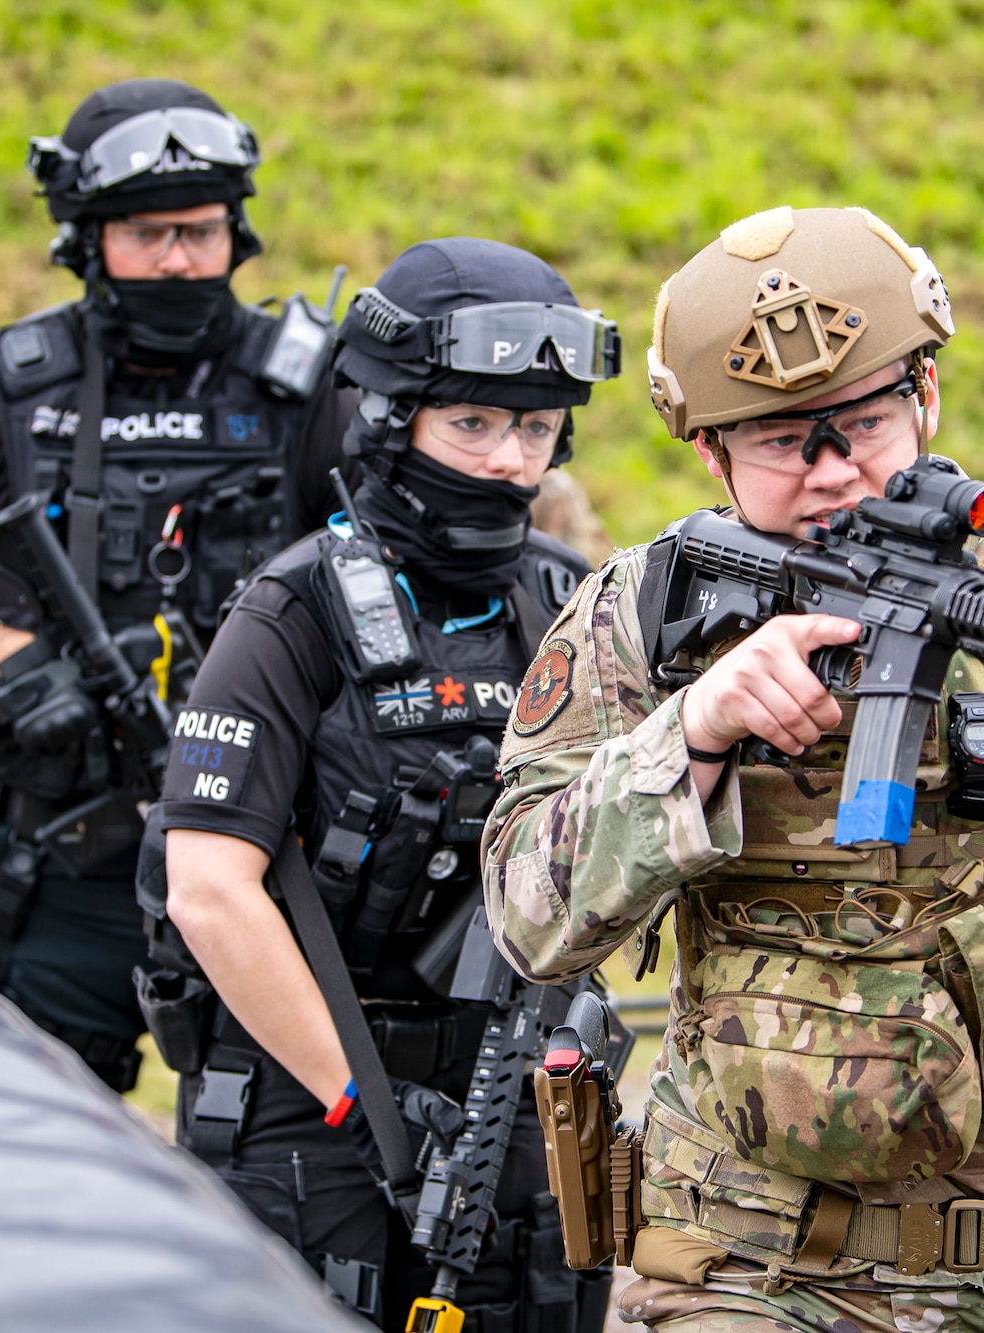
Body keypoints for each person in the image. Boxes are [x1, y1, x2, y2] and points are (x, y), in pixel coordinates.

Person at [483, 205, 984, 1332]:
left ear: (925, 397)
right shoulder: (646, 615)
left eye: (865, 421)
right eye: (782, 440)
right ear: (706, 448)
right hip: (747, 1265)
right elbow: (527, 919)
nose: (833, 474)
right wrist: (688, 739)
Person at [0, 79, 357, 1092]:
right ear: (88, 238)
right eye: (149, 234)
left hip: (264, 857)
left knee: (289, 1174)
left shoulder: (311, 383)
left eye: (201, 232)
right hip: (56, 858)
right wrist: (17, 663)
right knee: (21, 1157)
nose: (179, 260)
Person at [150, 238, 619, 1331]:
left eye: (535, 427)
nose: (509, 459)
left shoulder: (570, 601)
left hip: (520, 1090)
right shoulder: (292, 610)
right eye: (472, 423)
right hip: (313, 1099)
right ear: (388, 417)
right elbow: (207, 887)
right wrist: (357, 1096)